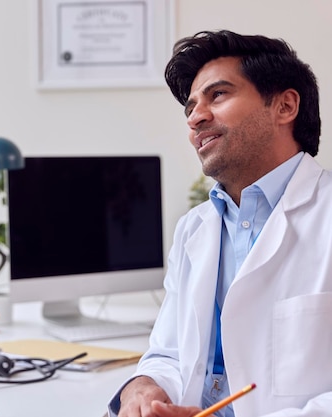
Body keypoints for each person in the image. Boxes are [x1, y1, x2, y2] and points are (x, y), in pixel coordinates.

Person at [108, 30, 332, 417]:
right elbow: (167, 352)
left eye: (218, 95)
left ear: (285, 106)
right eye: (190, 107)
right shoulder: (194, 228)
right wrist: (143, 388)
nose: (195, 117)